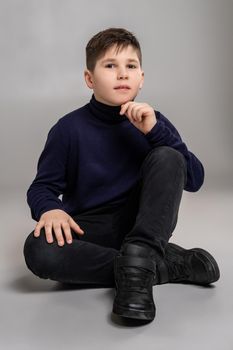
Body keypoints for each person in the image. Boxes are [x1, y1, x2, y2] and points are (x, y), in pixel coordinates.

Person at [23, 27, 220, 323]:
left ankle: (141, 255)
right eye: (110, 66)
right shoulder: (68, 129)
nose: (122, 74)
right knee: (38, 250)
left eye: (131, 66)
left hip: (144, 225)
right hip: (90, 229)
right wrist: (50, 208)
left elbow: (195, 178)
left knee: (168, 154)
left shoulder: (154, 122)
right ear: (90, 79)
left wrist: (156, 133)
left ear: (141, 78)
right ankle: (161, 266)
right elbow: (42, 187)